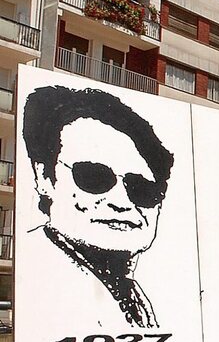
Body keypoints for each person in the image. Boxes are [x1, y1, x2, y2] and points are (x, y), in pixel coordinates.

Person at [21, 86, 174, 327]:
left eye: (142, 189)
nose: (121, 203)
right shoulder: (37, 280)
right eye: (93, 178)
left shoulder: (134, 296)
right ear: (45, 179)